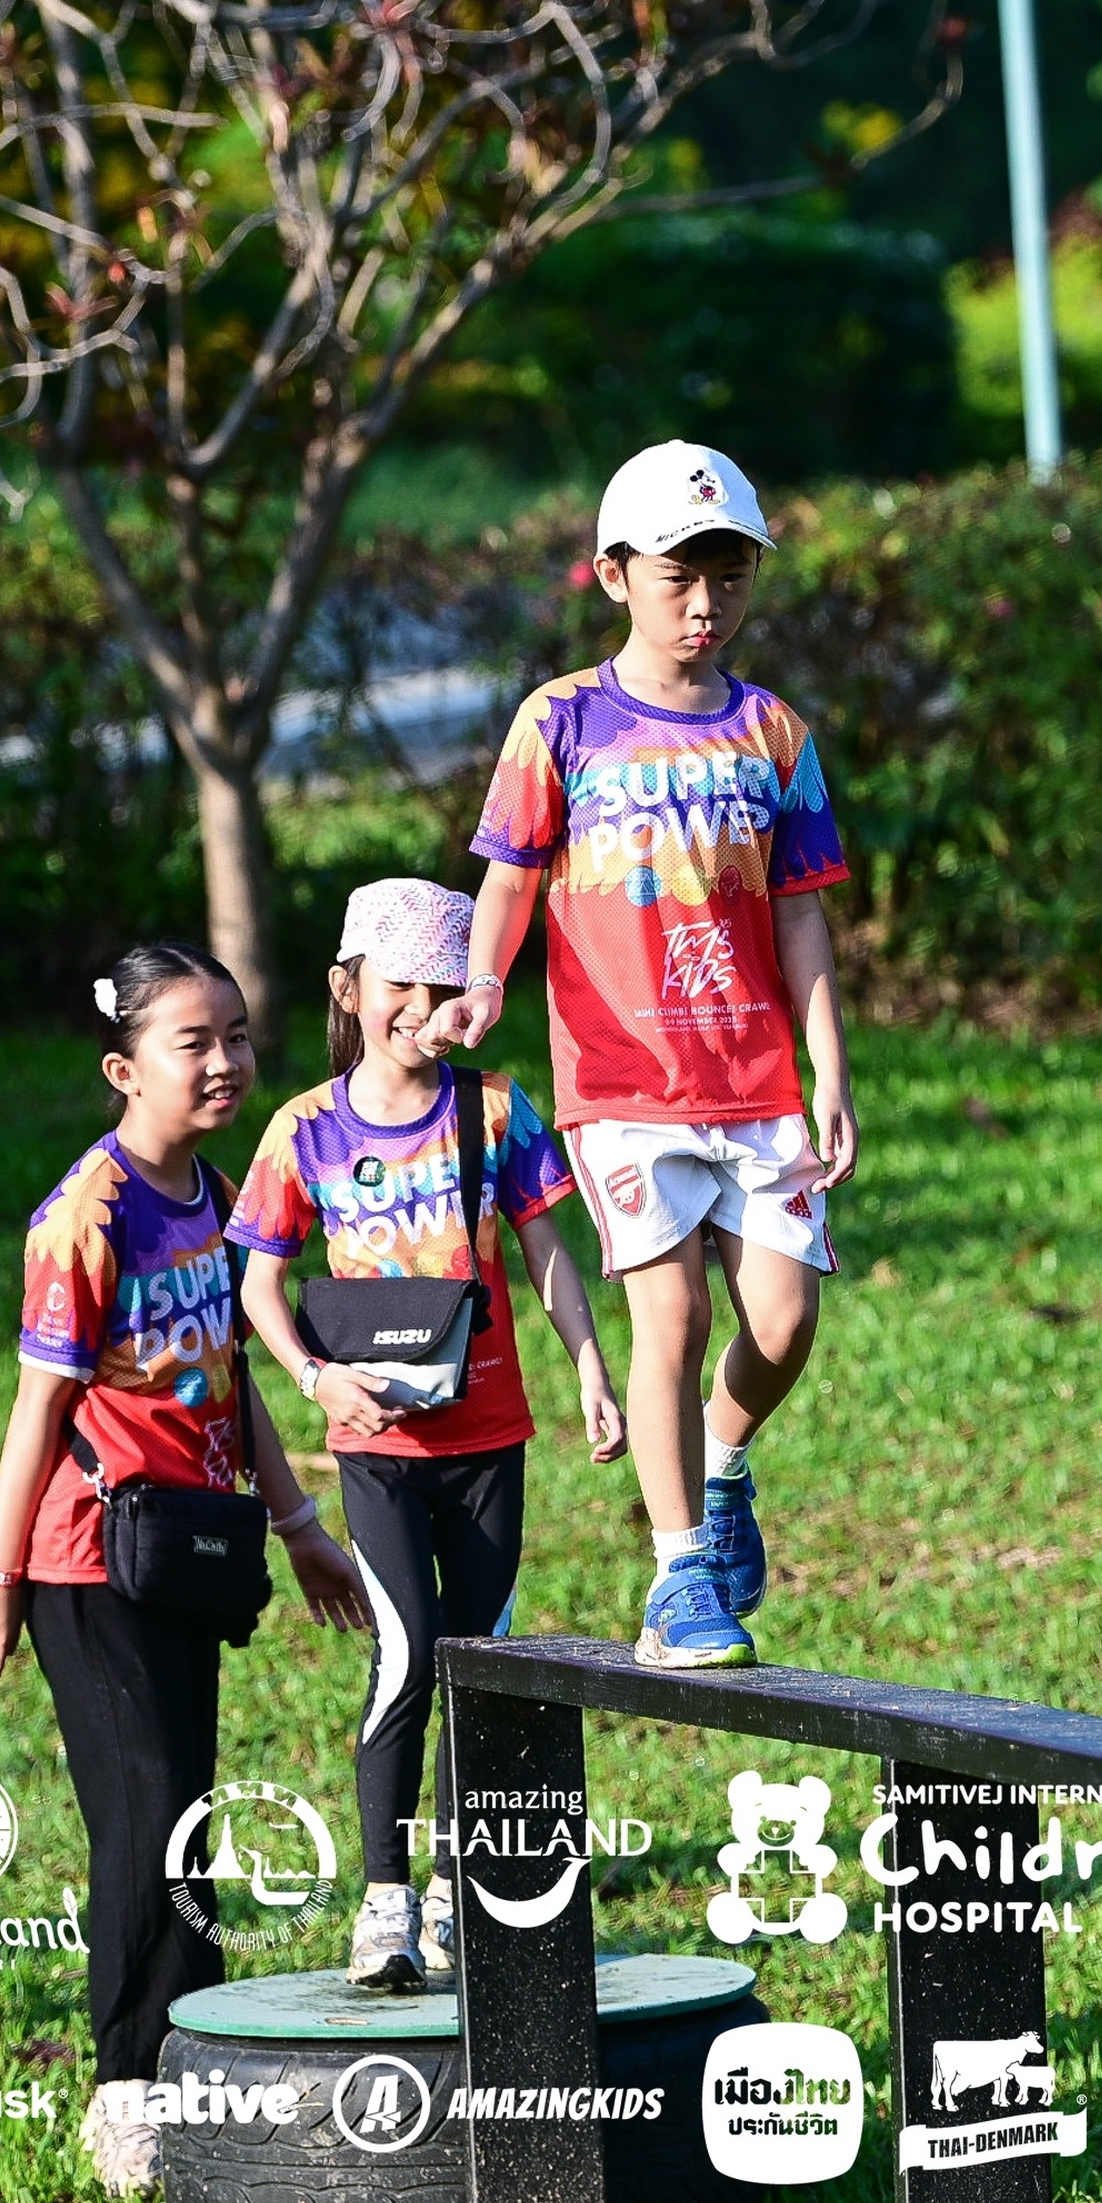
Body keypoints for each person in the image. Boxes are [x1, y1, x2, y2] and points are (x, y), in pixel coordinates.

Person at [0, 945, 372, 2197]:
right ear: (123, 1067)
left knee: (184, 1813)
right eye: (196, 1040)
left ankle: (194, 2061)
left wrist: (299, 1524)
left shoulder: (217, 1195)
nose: (228, 1059)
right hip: (86, 1560)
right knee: (141, 1815)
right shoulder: (87, 1214)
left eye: (236, 1033)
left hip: (187, 1546)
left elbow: (232, 1381)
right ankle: (126, 2086)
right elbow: (39, 1404)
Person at [426, 440, 855, 1673]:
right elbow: (509, 878)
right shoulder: (559, 720)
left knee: (783, 1318)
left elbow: (801, 913)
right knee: (668, 1310)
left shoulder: (774, 732)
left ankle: (722, 1466)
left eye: (729, 575)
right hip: (621, 1080)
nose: (704, 602)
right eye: (678, 575)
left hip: (757, 1078)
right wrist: (482, 982)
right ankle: (678, 1577)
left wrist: (829, 1068)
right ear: (614, 575)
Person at [232, 880, 627, 1991]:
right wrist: (317, 1379)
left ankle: (460, 1895)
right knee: (406, 1657)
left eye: (443, 988)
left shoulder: (496, 1109)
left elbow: (546, 1248)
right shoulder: (302, 1129)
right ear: (347, 989)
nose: (419, 1007)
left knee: (481, 1662)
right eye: (397, 985)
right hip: (379, 1454)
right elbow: (259, 1282)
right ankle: (384, 1902)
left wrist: (591, 1367)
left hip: (490, 1438)